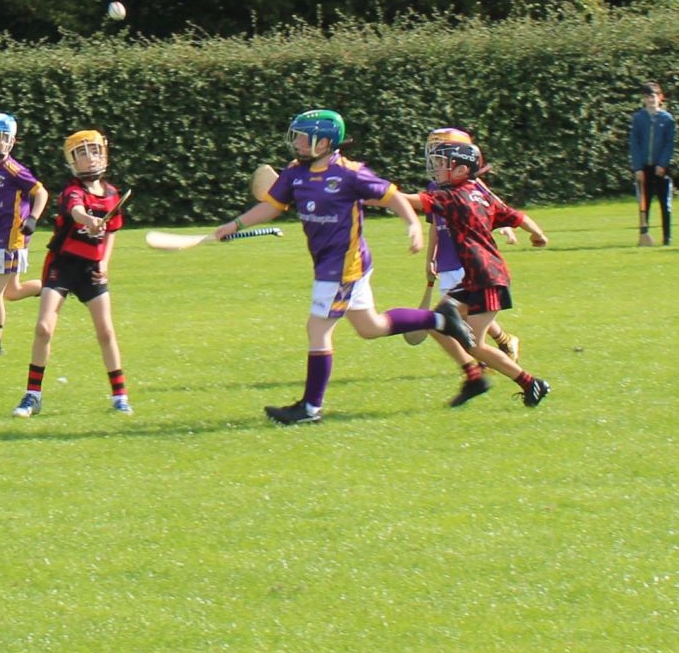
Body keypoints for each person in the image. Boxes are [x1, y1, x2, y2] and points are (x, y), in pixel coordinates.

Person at [212, 109, 475, 425]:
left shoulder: (350, 173)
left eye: (301, 136)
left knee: (317, 328)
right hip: (331, 264)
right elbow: (270, 206)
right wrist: (236, 224)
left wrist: (413, 226)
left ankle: (310, 408)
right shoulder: (295, 173)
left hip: (343, 267)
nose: (295, 142)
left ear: (323, 142)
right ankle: (439, 319)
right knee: (370, 328)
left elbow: (392, 196)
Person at [404, 139, 551, 408]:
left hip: (486, 278)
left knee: (475, 345)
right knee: (435, 322)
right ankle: (474, 377)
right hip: (479, 276)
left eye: (441, 164)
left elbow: (411, 201)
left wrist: (372, 190)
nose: (435, 169)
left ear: (460, 170)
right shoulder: (479, 193)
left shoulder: (452, 195)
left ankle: (531, 383)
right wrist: (538, 234)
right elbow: (516, 216)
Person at [13, 129, 131, 418]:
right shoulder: (72, 190)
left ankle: (120, 396)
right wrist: (90, 220)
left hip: (91, 269)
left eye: (93, 151)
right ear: (72, 161)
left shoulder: (113, 193)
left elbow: (112, 232)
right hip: (62, 266)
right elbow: (76, 211)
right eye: (81, 153)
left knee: (106, 332)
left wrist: (104, 264)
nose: (89, 158)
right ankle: (32, 396)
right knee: (43, 328)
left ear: (104, 154)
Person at [419, 127, 520, 405]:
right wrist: (431, 256)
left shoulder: (470, 184)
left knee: (449, 317)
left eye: (439, 147)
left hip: (470, 258)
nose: (433, 153)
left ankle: (476, 369)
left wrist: (505, 229)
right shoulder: (436, 184)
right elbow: (435, 227)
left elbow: (494, 207)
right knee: (459, 315)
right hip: (449, 258)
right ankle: (495, 350)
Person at [0, 111, 49, 356]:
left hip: (12, 239)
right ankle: (54, 286)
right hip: (0, 236)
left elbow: (41, 193)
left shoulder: (13, 168)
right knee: (12, 292)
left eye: (2, 137)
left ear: (11, 140)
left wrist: (33, 219)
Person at [630, 81, 674, 246]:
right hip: (644, 168)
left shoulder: (667, 119)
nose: (651, 100)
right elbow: (634, 143)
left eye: (653, 96)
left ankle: (667, 237)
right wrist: (638, 167)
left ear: (659, 98)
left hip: (661, 168)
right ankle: (644, 234)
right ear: (644, 99)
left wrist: (662, 164)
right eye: (648, 97)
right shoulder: (638, 118)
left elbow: (669, 144)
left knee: (665, 203)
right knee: (644, 203)